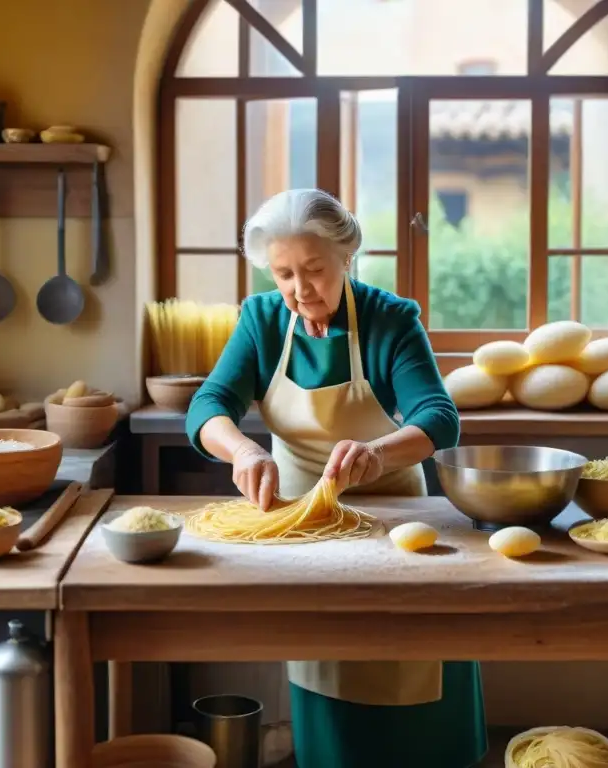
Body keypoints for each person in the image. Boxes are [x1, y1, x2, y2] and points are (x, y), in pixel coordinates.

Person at [185, 189, 487, 767]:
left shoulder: (389, 320)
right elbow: (208, 405)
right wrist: (243, 452)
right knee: (329, 687)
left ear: (347, 257)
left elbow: (439, 419)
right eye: (284, 274)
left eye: (315, 270)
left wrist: (376, 455)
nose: (300, 289)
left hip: (398, 530)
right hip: (305, 532)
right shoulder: (262, 320)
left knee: (417, 688)